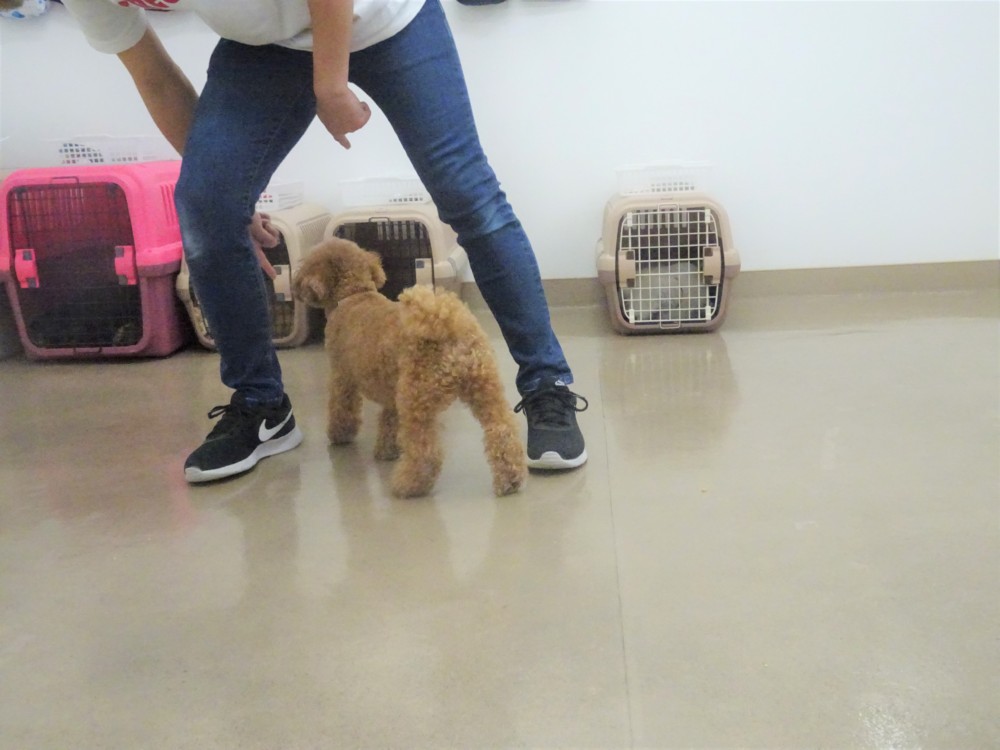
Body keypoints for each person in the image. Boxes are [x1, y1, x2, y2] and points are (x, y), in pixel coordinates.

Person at [29, 0, 589, 482]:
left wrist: (330, 84)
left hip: (386, 18)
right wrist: (231, 201)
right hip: (264, 49)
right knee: (205, 208)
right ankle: (262, 405)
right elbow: (152, 73)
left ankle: (547, 384)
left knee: (469, 195)